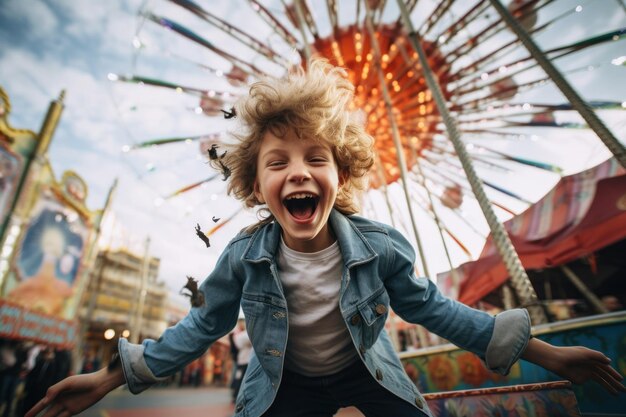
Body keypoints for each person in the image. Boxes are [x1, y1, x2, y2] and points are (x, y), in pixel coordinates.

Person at [26, 59, 625, 417]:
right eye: (277, 161)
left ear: (340, 176)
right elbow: (200, 326)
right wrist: (107, 379)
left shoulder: (380, 247)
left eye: (316, 157)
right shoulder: (242, 257)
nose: (298, 172)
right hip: (284, 382)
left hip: (366, 371)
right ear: (257, 187)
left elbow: (439, 312)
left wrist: (550, 355)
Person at [231, 319, 252, 403]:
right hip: (243, 361)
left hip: (245, 360)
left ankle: (238, 395)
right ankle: (236, 395)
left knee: (241, 379)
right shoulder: (241, 334)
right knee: (239, 379)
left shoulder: (243, 334)